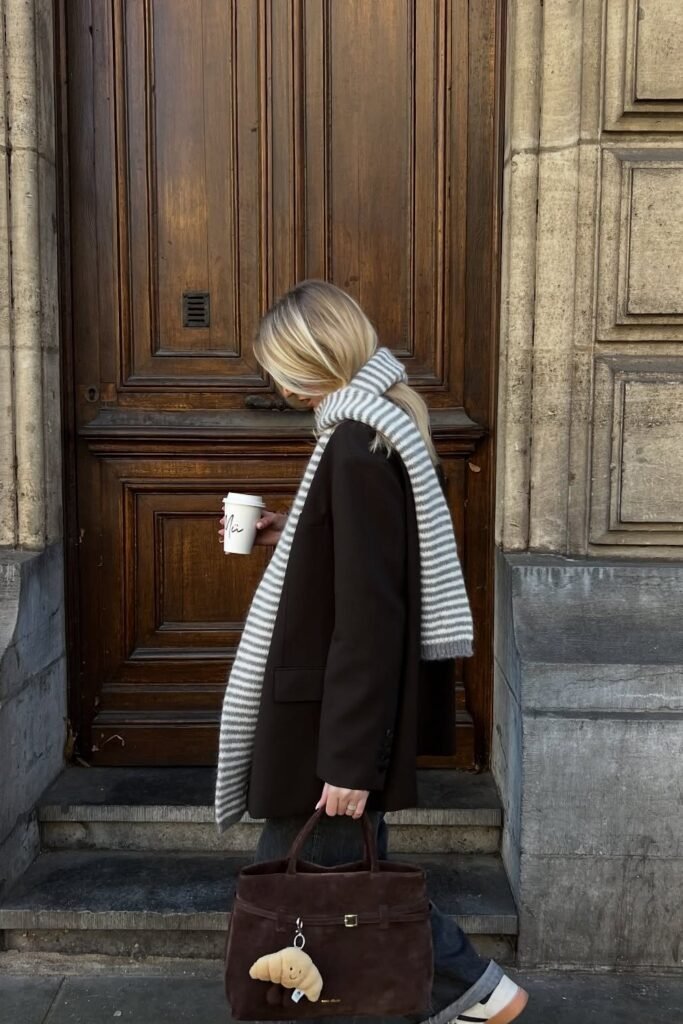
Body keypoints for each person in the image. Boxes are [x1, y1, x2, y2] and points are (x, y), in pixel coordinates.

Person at [217, 280, 528, 1024]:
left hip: (332, 725)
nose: (277, 386)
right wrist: (294, 530)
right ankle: (469, 992)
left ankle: (478, 990)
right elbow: (359, 568)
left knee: (315, 880)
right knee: (346, 874)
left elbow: (370, 620)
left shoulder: (356, 445)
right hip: (329, 717)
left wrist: (350, 761)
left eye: (280, 368)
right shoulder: (367, 432)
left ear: (312, 360)